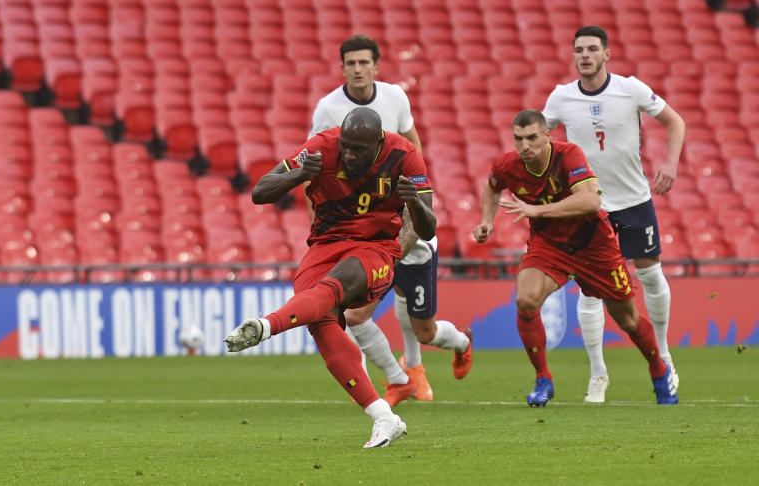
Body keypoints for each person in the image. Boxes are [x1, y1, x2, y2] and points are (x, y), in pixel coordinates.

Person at [224, 107, 436, 447]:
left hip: (376, 248)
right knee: (322, 322)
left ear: (378, 143)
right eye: (346, 146)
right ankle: (384, 417)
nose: (348, 154)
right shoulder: (322, 146)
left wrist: (417, 205)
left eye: (357, 149)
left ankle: (267, 326)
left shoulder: (404, 156)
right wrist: (298, 175)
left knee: (335, 286)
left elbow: (428, 229)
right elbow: (260, 191)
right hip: (324, 245)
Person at [308, 34, 473, 406]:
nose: (357, 69)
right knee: (354, 314)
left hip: (403, 226)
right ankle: (400, 379)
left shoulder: (395, 97)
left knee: (425, 329)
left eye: (364, 62)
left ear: (376, 66)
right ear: (342, 68)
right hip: (362, 226)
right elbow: (314, 175)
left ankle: (461, 342)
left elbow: (413, 148)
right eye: (350, 63)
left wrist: (418, 201)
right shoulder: (328, 109)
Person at [473, 109, 678, 406]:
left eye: (532, 138)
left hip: (594, 245)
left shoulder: (569, 155)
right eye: (518, 139)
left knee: (628, 319)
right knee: (526, 299)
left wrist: (536, 211)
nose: (525, 146)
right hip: (549, 245)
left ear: (547, 135)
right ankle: (543, 379)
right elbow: (492, 188)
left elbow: (591, 200)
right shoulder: (507, 165)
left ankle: (659, 370)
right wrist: (486, 222)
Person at [543, 26, 685, 403]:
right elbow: (537, 141)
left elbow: (676, 120)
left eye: (592, 49)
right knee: (591, 290)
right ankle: (598, 374)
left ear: (606, 54)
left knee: (651, 275)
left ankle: (664, 353)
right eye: (579, 50)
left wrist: (670, 163)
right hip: (589, 205)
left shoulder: (631, 88)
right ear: (573, 56)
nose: (585, 55)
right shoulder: (561, 97)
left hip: (635, 200)